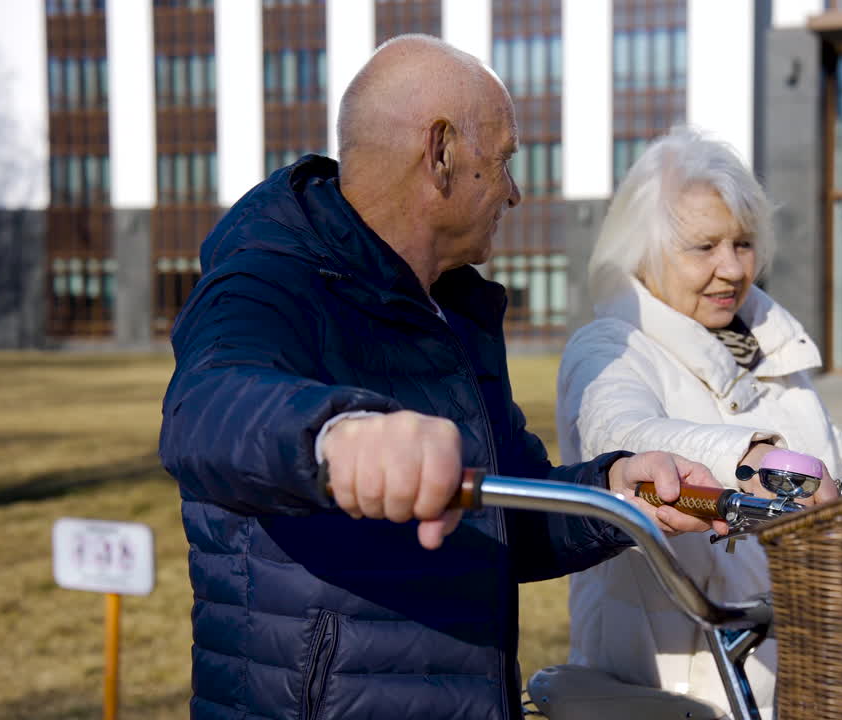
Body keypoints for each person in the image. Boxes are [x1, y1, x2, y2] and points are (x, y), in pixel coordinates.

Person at [159, 37, 724, 720]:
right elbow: (207, 408)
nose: (515, 192)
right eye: (505, 159)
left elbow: (502, 515)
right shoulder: (267, 275)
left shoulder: (455, 308)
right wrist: (339, 437)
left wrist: (615, 492)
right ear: (441, 154)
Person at [555, 126, 842, 715]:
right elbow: (624, 439)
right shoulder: (609, 347)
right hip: (676, 691)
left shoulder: (768, 352)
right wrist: (750, 460)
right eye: (704, 247)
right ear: (644, 250)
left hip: (790, 676)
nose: (732, 268)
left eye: (744, 243)